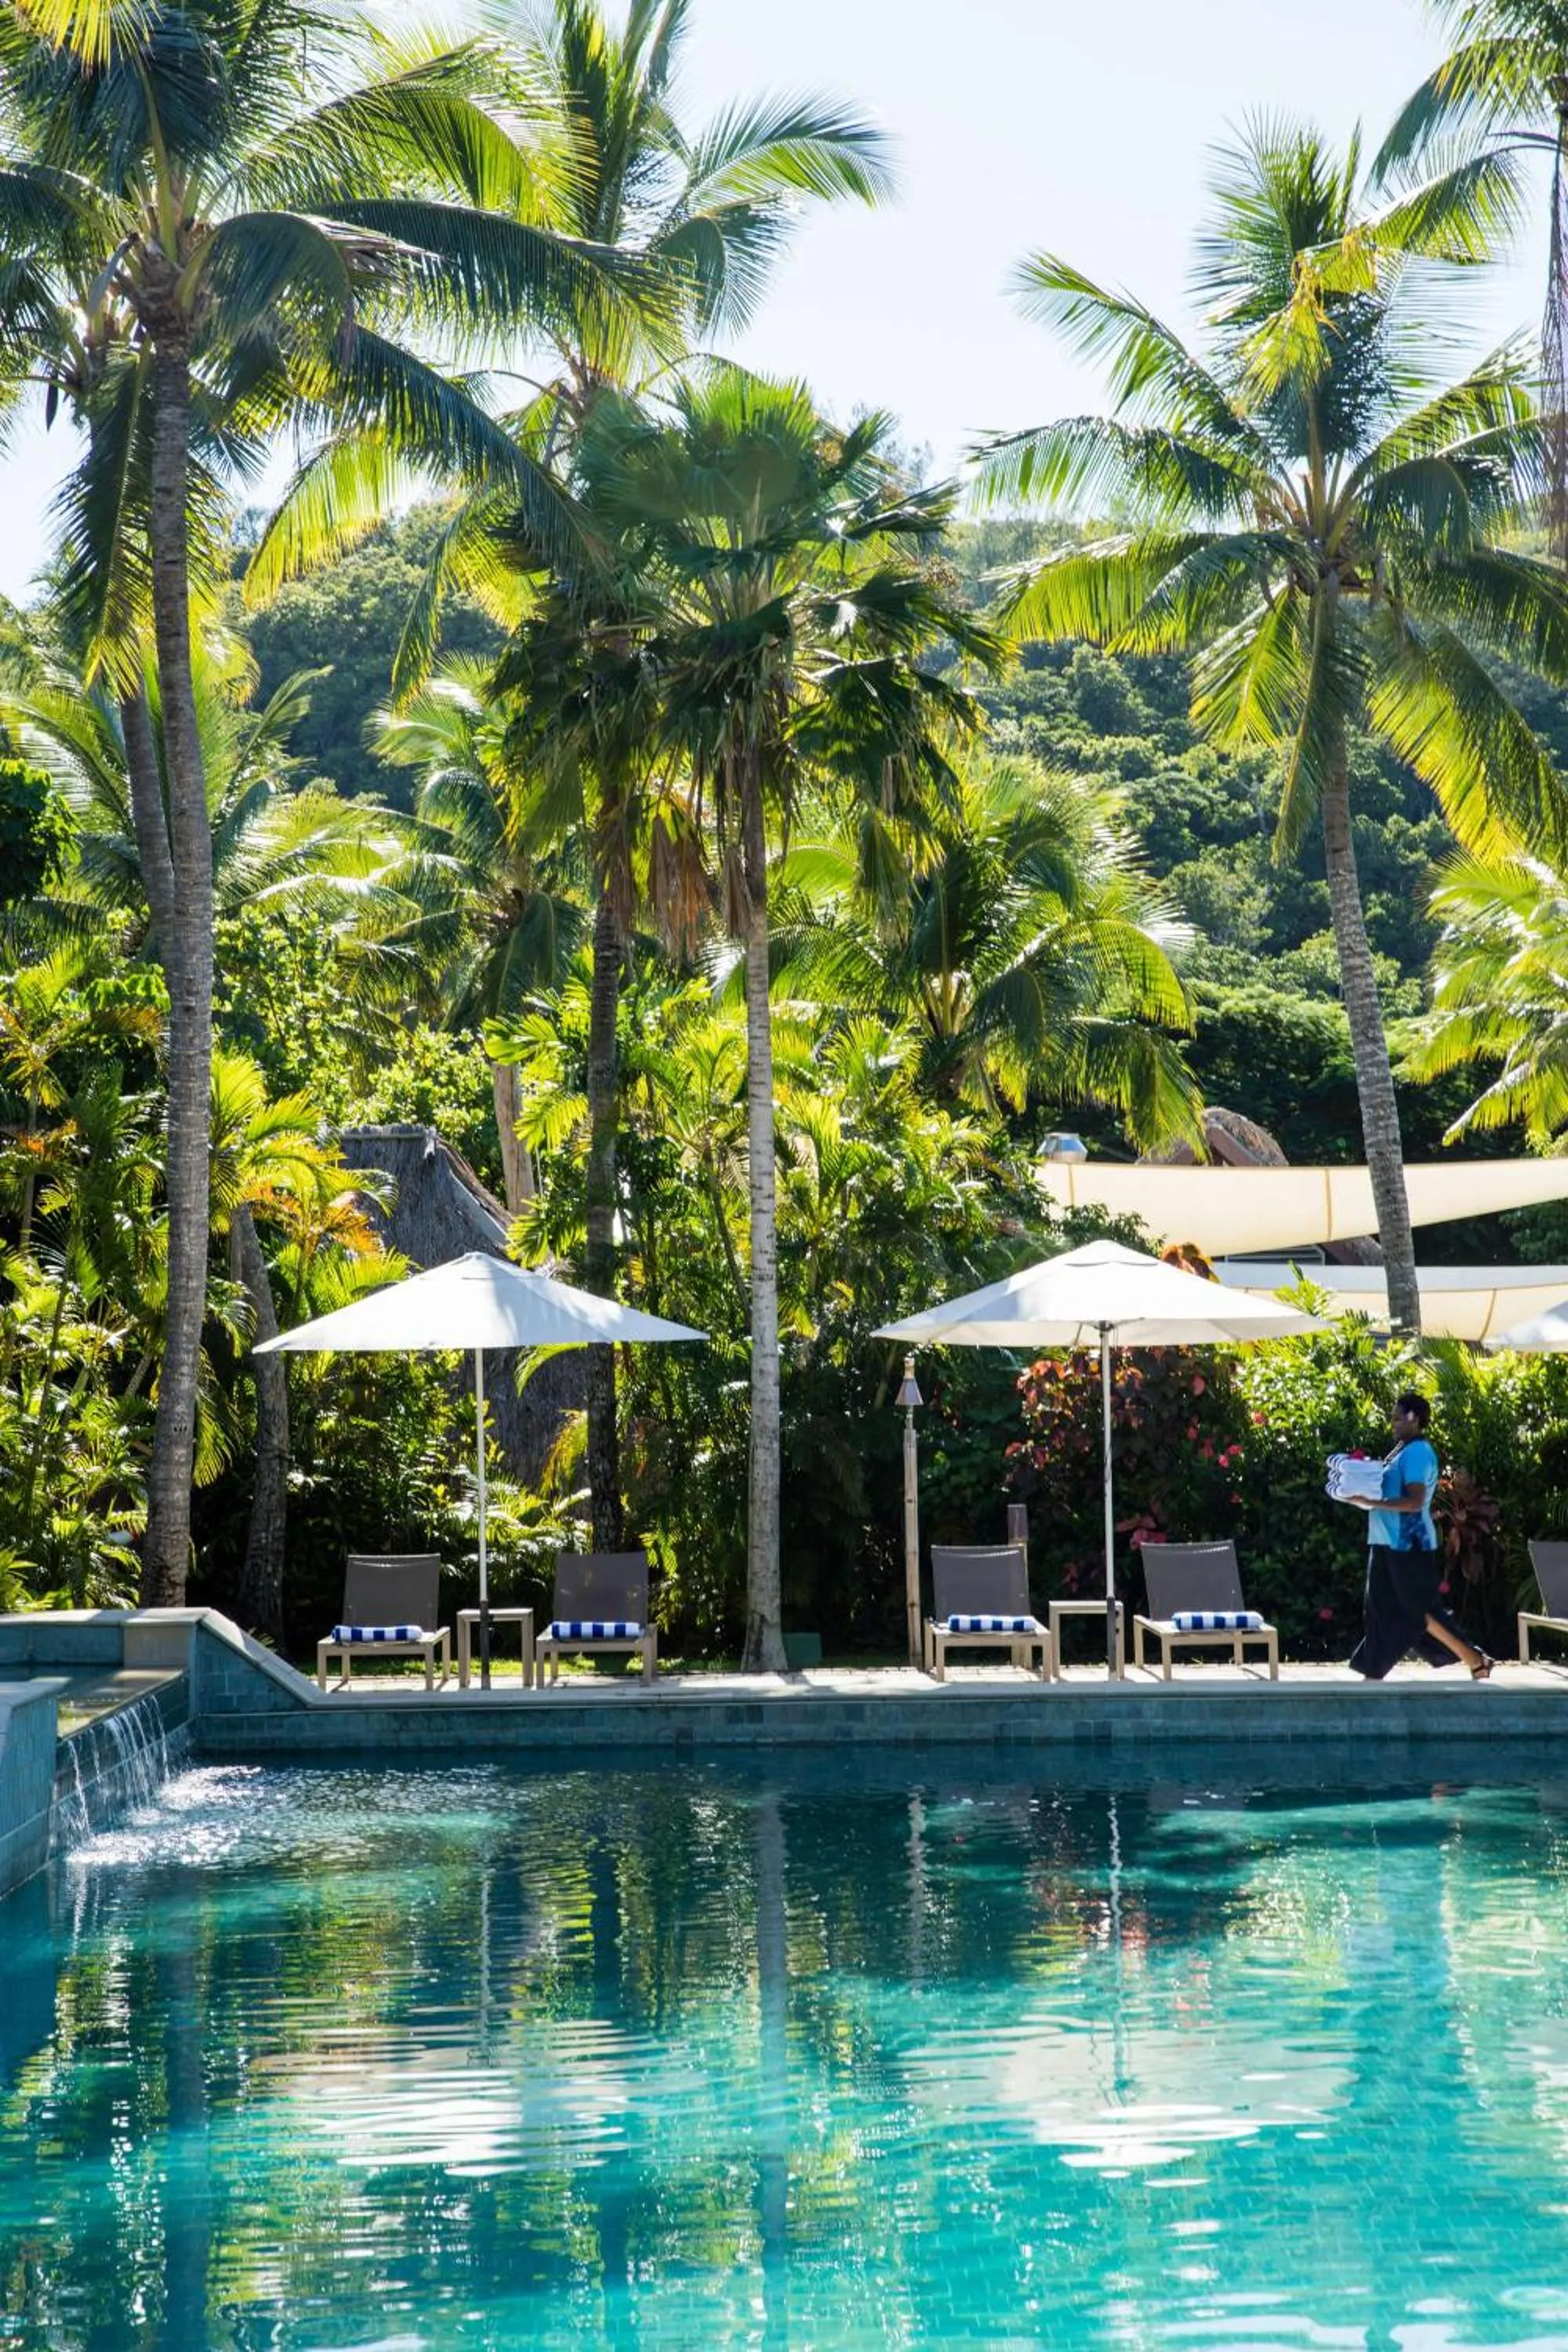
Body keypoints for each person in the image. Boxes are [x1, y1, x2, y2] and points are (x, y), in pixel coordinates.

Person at [1346, 1392, 1494, 1681]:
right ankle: (1373, 1671)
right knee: (1380, 1609)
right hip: (1385, 1541)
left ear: (1414, 1418)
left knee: (1421, 1610)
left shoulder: (1417, 1453)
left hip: (1408, 1543)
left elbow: (1414, 1501)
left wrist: (1372, 1502)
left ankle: (1475, 1659)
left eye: (1398, 1417)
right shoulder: (1403, 1449)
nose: (1392, 1423)